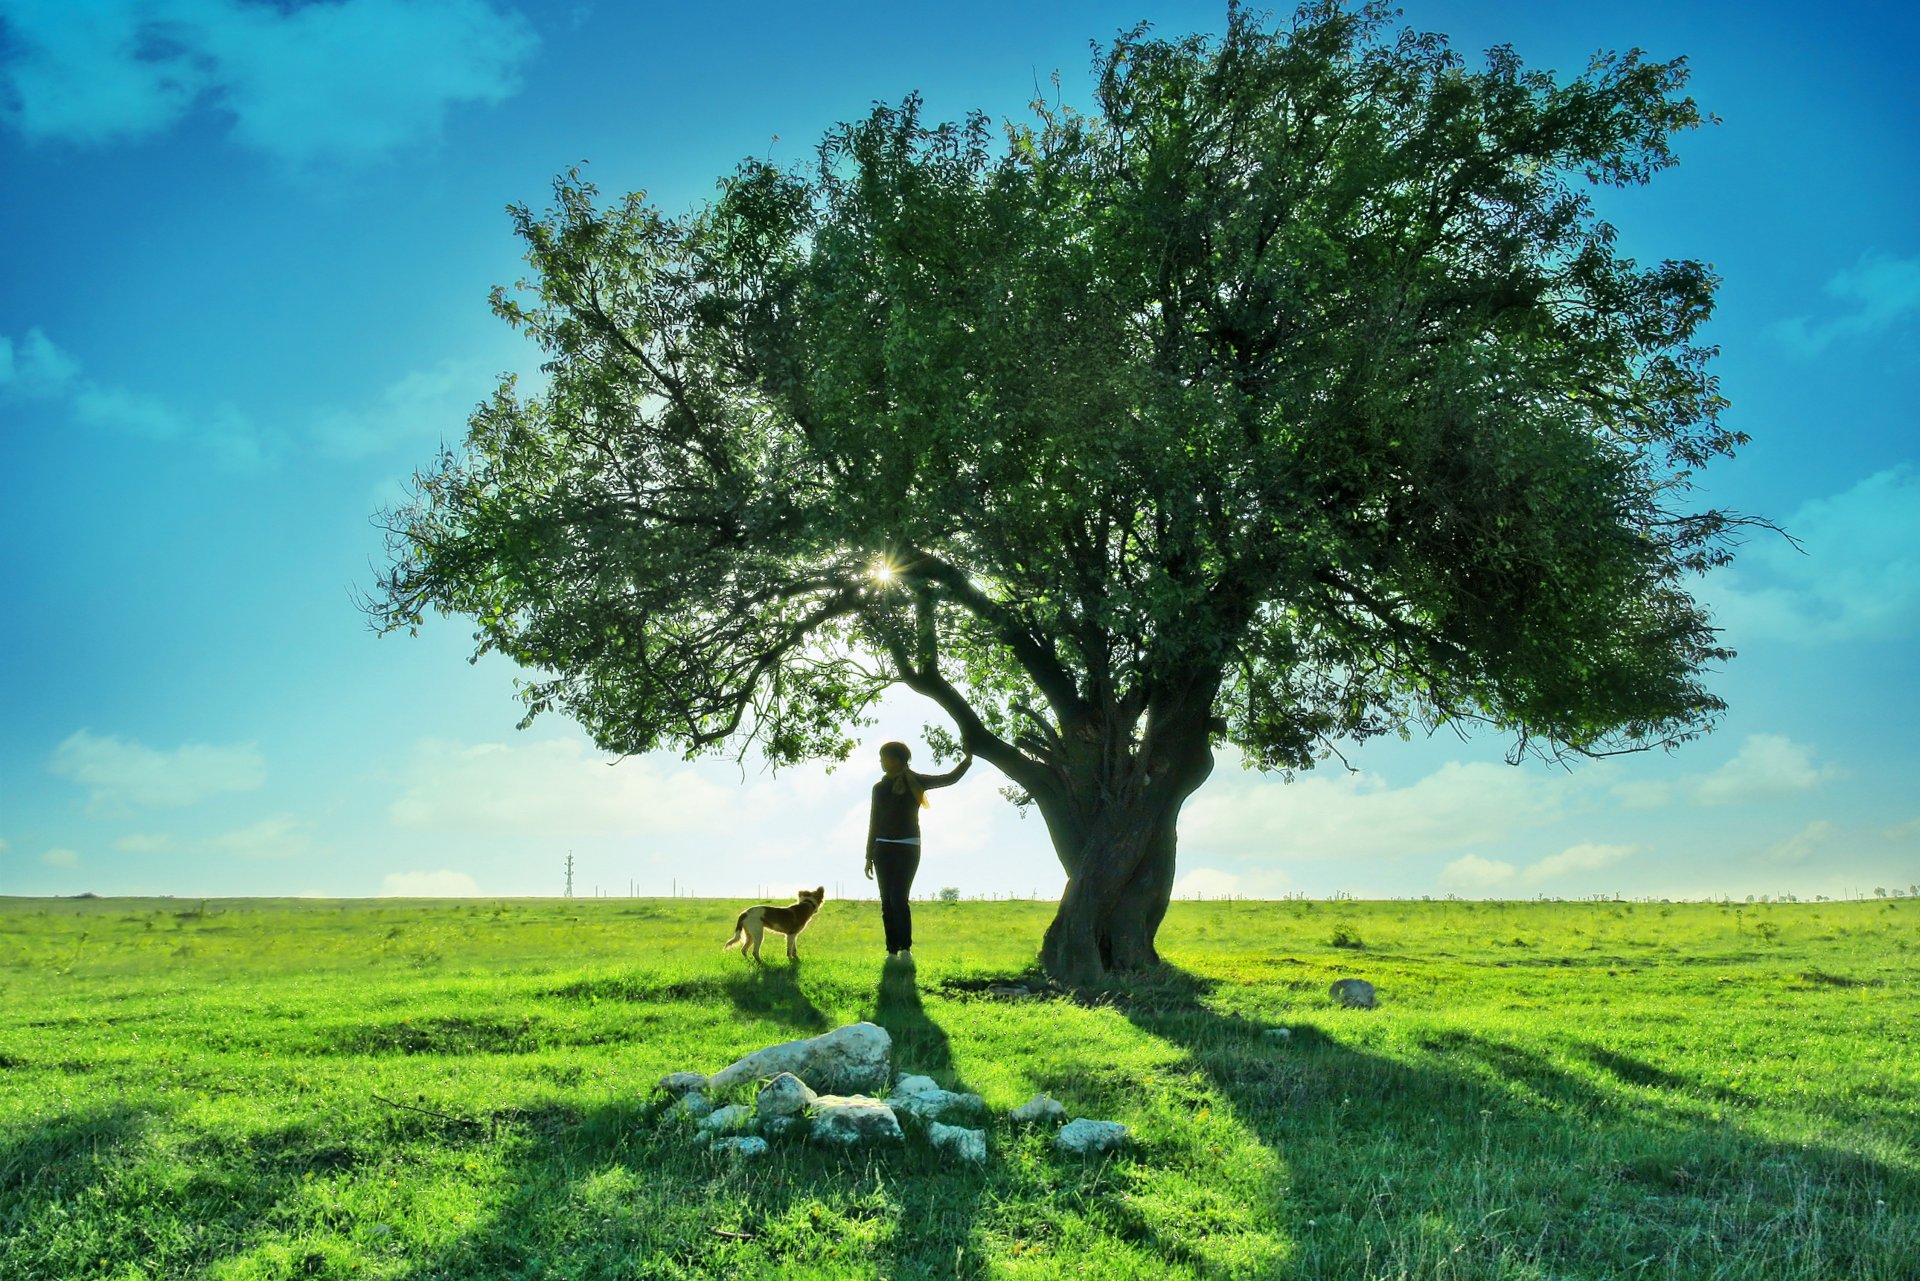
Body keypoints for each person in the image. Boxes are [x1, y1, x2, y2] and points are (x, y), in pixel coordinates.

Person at [864, 739, 971, 962]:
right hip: (882, 848)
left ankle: (905, 950)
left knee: (898, 898)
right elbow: (874, 822)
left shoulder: (917, 781)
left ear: (898, 760)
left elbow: (949, 779)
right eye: (881, 757)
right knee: (886, 902)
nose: (881, 762)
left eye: (885, 757)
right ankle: (891, 952)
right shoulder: (879, 788)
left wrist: (967, 760)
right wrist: (868, 856)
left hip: (908, 846)